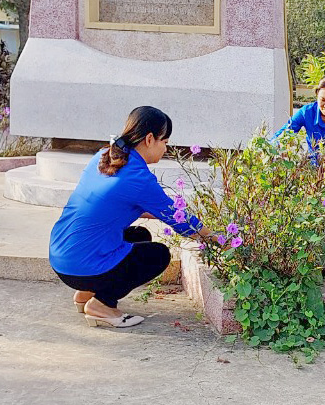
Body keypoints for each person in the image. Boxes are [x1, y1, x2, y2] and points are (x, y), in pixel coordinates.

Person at [49, 106, 213, 328]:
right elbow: (180, 221)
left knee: (139, 235)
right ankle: (102, 305)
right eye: (165, 142)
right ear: (149, 139)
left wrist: (164, 213)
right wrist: (215, 237)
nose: (165, 149)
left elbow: (120, 204)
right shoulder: (138, 177)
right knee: (158, 255)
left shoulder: (103, 156)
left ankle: (85, 294)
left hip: (61, 257)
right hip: (82, 265)